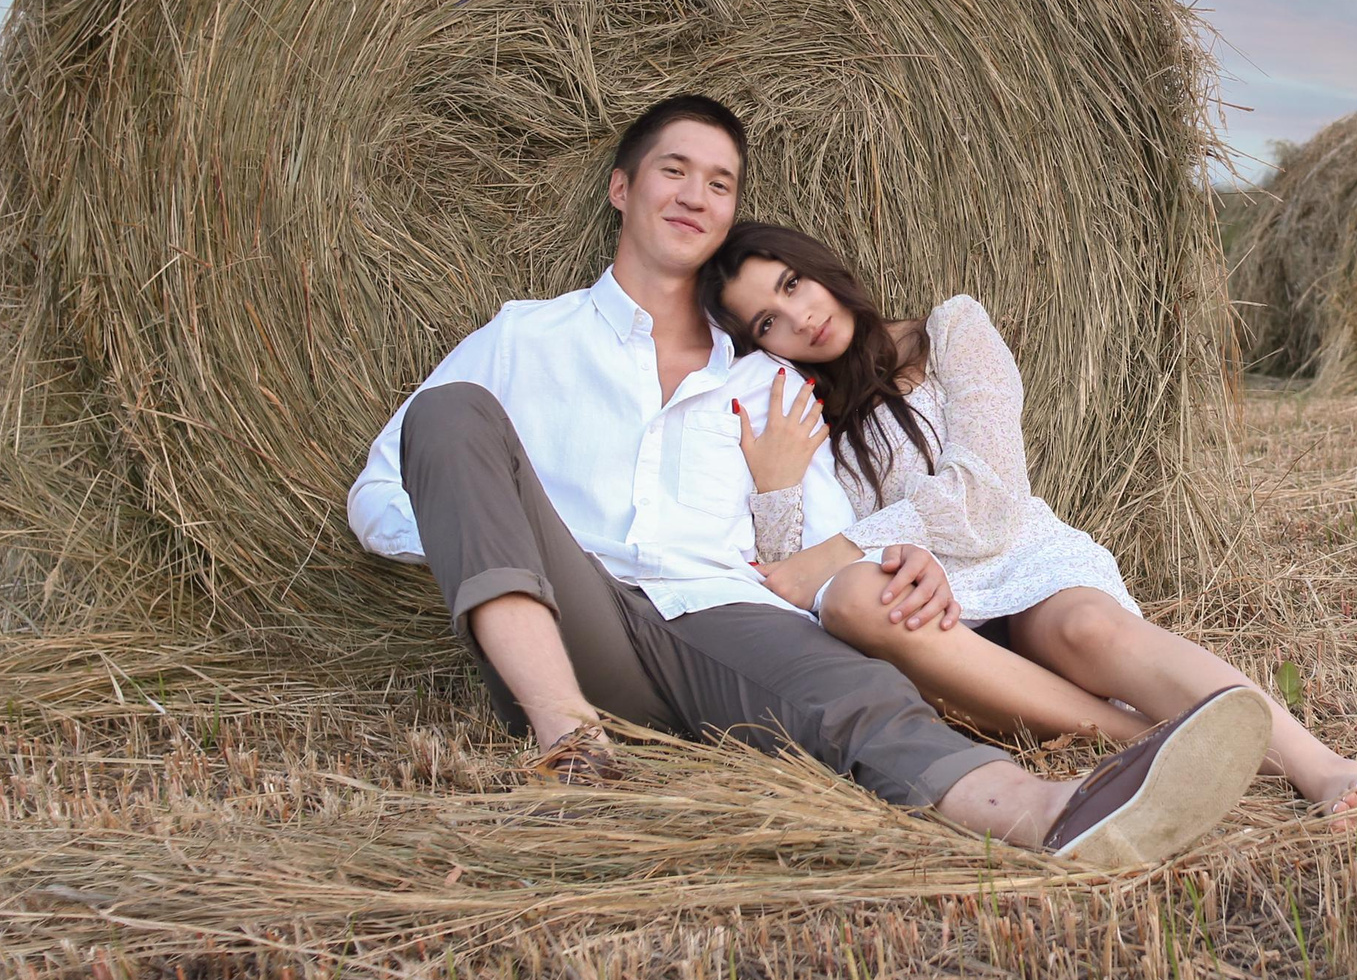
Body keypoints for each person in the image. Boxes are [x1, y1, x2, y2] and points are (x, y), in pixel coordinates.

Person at [345, 95, 1270, 865]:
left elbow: (817, 553)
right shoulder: (522, 338)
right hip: (576, 615)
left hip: (727, 616)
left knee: (859, 698)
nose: (695, 194)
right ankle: (570, 743)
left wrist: (906, 563)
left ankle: (1053, 813)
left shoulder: (771, 379)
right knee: (449, 415)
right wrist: (502, 542)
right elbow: (382, 493)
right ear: (623, 189)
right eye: (674, 169)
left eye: (720, 182)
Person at [702, 222, 1357, 823]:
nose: (798, 317)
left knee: (1088, 630)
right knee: (862, 607)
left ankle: (1320, 768)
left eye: (793, 283)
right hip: (928, 612)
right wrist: (775, 485)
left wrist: (852, 543)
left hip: (1016, 559)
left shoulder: (951, 329)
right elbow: (794, 581)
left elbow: (988, 497)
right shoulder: (797, 410)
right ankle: (1155, 739)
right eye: (767, 320)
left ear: (822, 267)